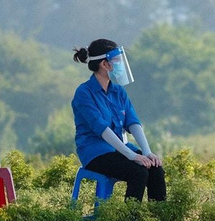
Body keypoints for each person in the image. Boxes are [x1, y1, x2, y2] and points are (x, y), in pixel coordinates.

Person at [71, 38, 166, 202]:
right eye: (116, 60)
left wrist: (147, 152)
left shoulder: (118, 91)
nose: (120, 64)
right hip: (95, 152)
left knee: (156, 169)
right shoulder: (84, 93)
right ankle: (129, 217)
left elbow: (133, 122)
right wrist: (131, 155)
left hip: (120, 148)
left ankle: (158, 216)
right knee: (138, 171)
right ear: (104, 64)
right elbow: (102, 129)